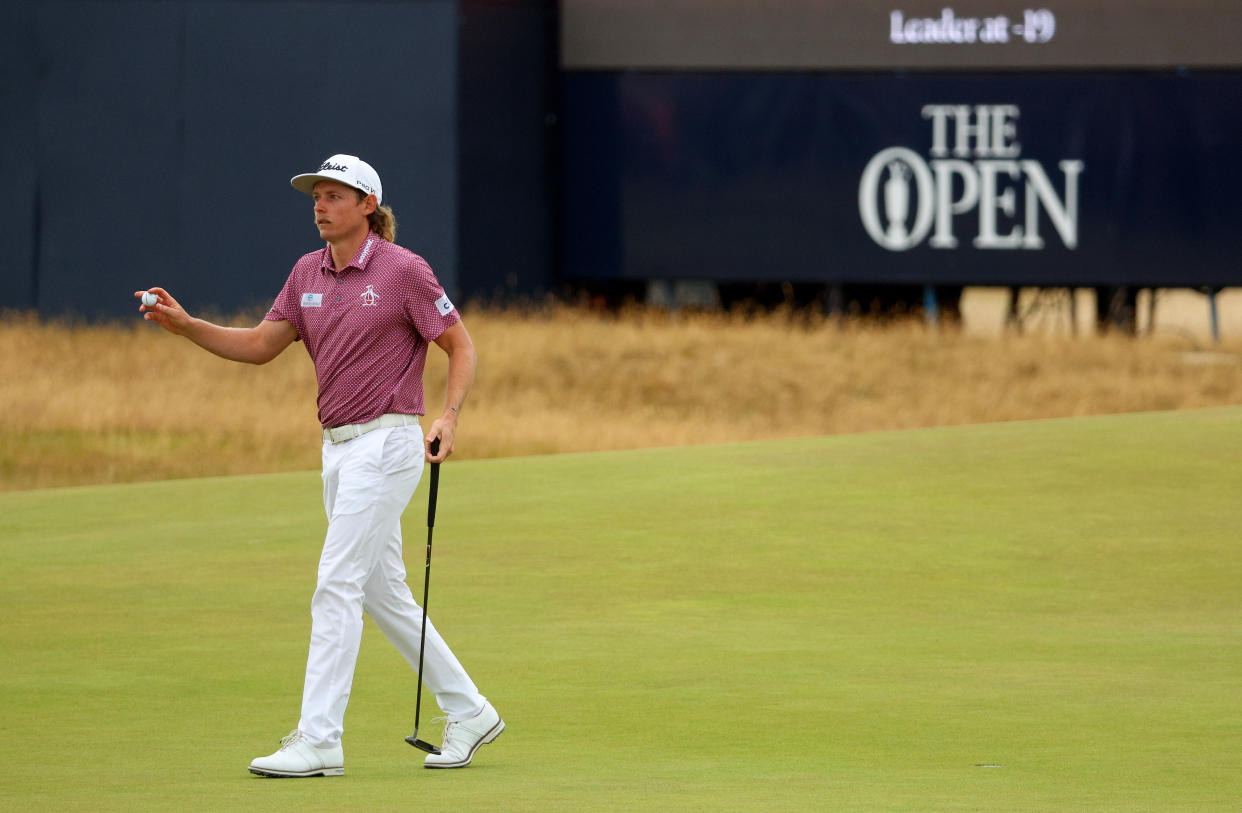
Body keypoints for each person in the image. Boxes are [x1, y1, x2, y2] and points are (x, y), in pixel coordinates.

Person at [136, 154, 503, 776]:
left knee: (335, 582)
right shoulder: (307, 271)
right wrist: (189, 326)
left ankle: (319, 739)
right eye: (316, 195)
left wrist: (450, 415)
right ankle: (469, 710)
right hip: (336, 451)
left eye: (334, 195)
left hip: (388, 444)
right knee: (382, 593)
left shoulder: (402, 269)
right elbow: (259, 345)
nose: (319, 204)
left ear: (367, 205)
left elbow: (459, 344)